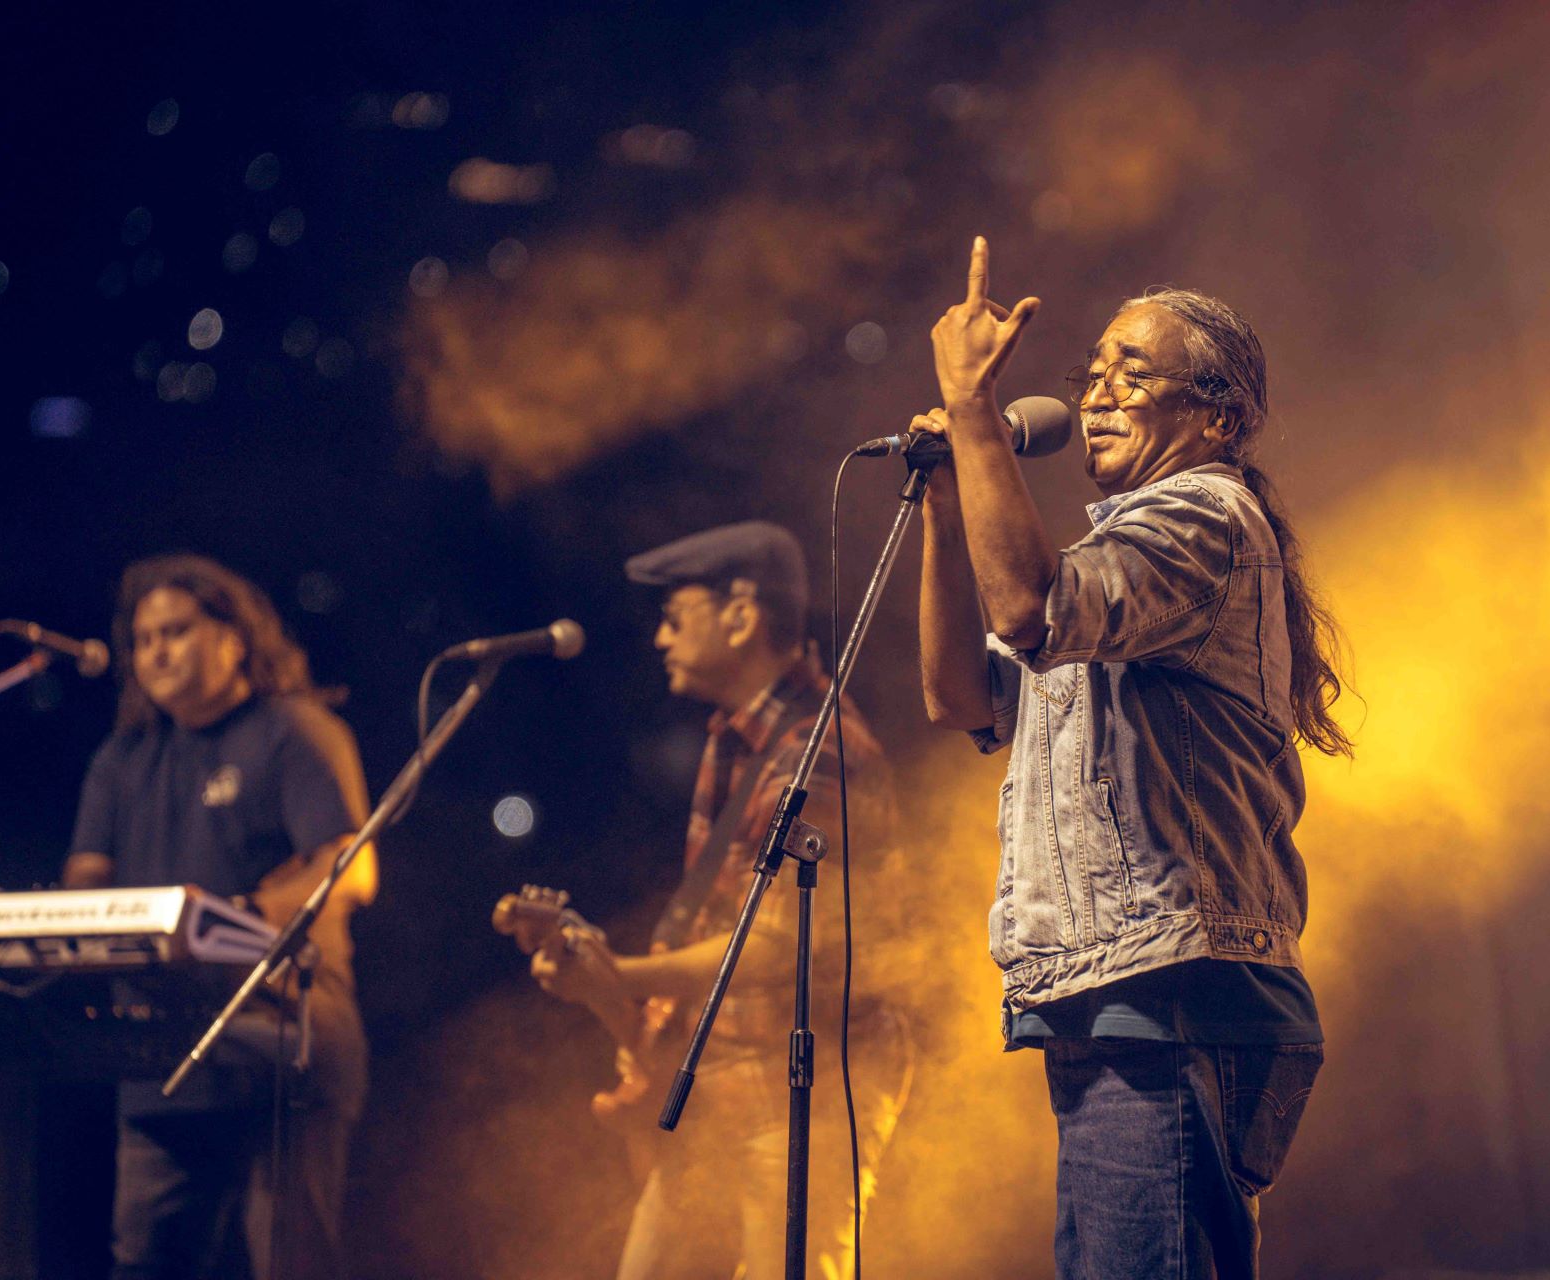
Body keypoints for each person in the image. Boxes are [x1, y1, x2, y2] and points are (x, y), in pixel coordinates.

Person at [915, 239, 1353, 1279]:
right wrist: (943, 502)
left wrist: (974, 415)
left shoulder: (1205, 518)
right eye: (1094, 372)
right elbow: (960, 698)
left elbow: (1028, 607)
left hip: (1173, 996)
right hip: (1119, 993)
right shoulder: (1115, 564)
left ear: (1217, 418)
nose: (1100, 394)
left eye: (1134, 374)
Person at [526, 520, 909, 1280]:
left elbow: (769, 947)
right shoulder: (736, 739)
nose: (660, 640)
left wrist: (620, 975)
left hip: (805, 1085)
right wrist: (610, 984)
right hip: (727, 1078)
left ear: (740, 617)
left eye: (675, 618)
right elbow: (719, 921)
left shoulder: (817, 752)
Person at [62, 554, 377, 1280]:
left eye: (176, 630)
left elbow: (350, 868)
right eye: (143, 640)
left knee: (291, 1263)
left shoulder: (293, 731)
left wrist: (233, 921)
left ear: (235, 638)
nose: (157, 652)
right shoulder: (121, 758)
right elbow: (87, 885)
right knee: (145, 1264)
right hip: (160, 1057)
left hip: (283, 1041)